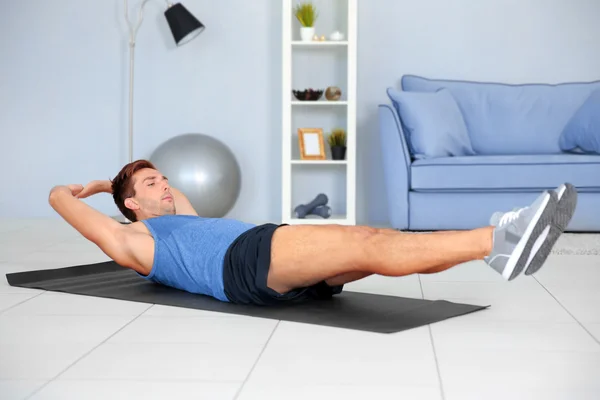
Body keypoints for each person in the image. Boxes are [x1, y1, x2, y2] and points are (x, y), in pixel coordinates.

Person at [48, 159, 577, 306]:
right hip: (247, 258)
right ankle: (498, 240)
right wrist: (90, 189)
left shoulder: (180, 216)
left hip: (264, 266)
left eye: (164, 179)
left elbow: (166, 193)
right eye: (152, 183)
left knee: (373, 246)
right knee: (370, 242)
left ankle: (494, 251)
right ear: (131, 205)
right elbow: (59, 200)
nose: (165, 186)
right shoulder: (133, 243)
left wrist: (121, 182)